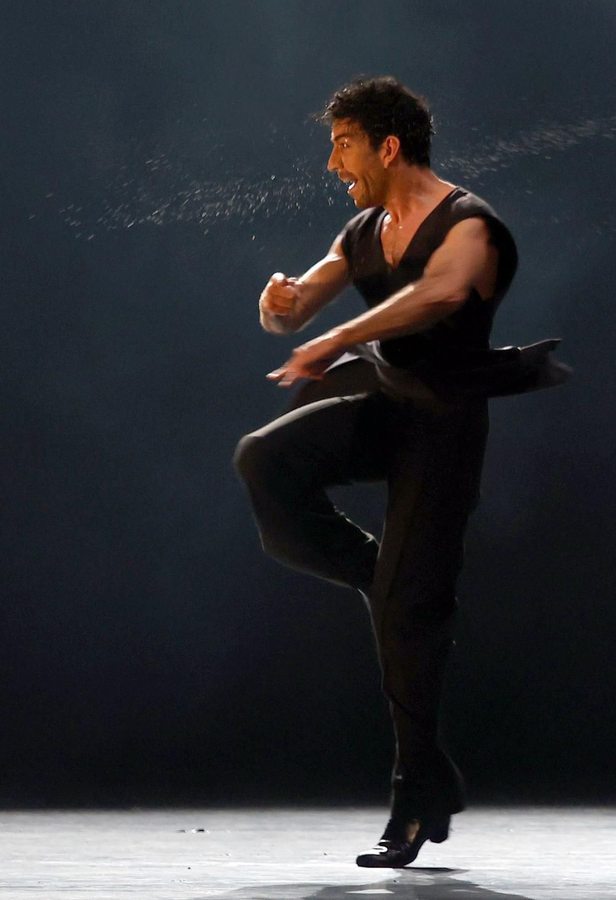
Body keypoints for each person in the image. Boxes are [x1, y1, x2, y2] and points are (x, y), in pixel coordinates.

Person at [231, 76, 569, 868]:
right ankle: (381, 578)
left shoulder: (471, 226)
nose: (332, 163)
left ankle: (418, 794)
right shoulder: (363, 229)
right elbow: (297, 306)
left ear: (387, 147)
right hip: (385, 406)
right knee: (264, 459)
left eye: (343, 145)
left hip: (443, 429)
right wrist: (277, 306)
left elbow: (438, 294)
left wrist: (335, 338)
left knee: (406, 619)